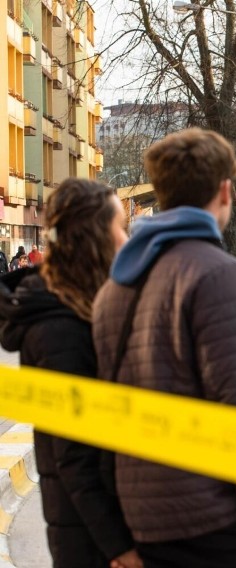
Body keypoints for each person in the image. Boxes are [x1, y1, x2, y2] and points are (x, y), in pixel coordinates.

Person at [92, 127, 236, 567]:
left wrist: (116, 536)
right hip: (213, 517)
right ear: (224, 191)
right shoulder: (220, 276)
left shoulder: (115, 287)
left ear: (162, 193)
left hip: (144, 518)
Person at [0, 178, 141, 568]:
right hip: (93, 541)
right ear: (96, 238)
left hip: (92, 530)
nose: (127, 242)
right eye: (121, 229)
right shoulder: (62, 327)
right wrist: (120, 547)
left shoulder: (81, 309)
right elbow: (75, 455)